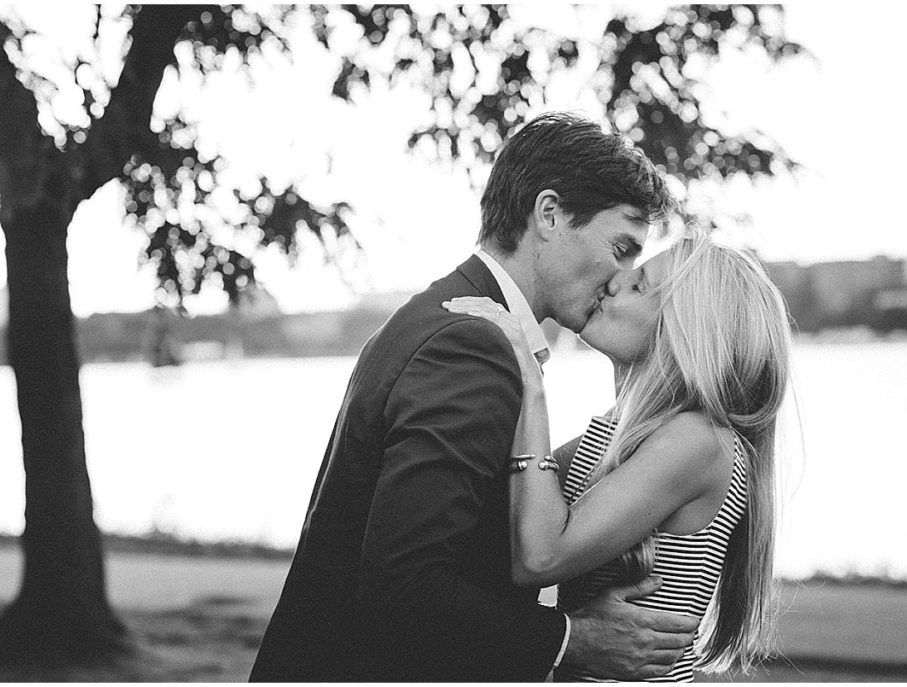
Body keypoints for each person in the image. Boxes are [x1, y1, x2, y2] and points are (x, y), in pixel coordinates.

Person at [249, 111, 700, 682]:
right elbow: (406, 588)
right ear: (550, 214)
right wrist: (574, 640)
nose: (620, 278)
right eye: (621, 248)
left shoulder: (443, 317)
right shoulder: (472, 345)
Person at [443, 229, 792, 681]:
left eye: (639, 284)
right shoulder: (615, 439)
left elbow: (540, 557)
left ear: (686, 329)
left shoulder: (700, 440)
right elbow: (502, 518)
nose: (614, 280)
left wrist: (530, 384)